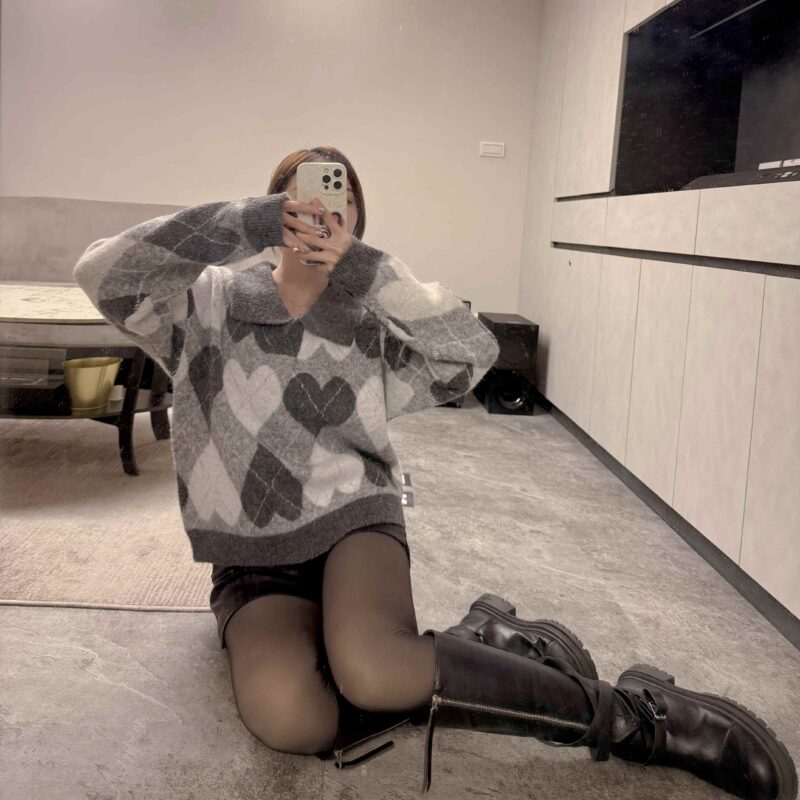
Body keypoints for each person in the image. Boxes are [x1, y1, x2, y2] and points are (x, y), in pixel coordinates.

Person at [74, 146, 797, 800]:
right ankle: (482, 641)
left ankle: (636, 717)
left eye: (339, 198)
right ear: (273, 207)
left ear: (357, 220)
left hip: (354, 523)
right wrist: (243, 221)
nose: (320, 208)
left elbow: (471, 354)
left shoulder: (369, 321)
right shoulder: (205, 306)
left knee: (373, 670)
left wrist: (364, 267)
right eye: (299, 196)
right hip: (252, 557)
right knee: (292, 718)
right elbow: (102, 270)